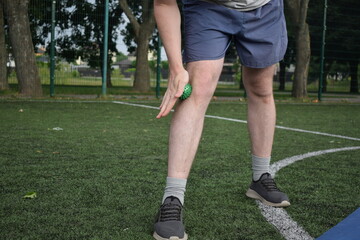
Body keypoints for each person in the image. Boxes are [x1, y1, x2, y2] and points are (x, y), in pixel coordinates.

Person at [153, 0, 290, 239]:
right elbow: (163, 2)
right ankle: (172, 198)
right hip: (209, 7)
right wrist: (176, 69)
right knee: (198, 88)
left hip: (265, 8)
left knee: (261, 87)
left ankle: (260, 178)